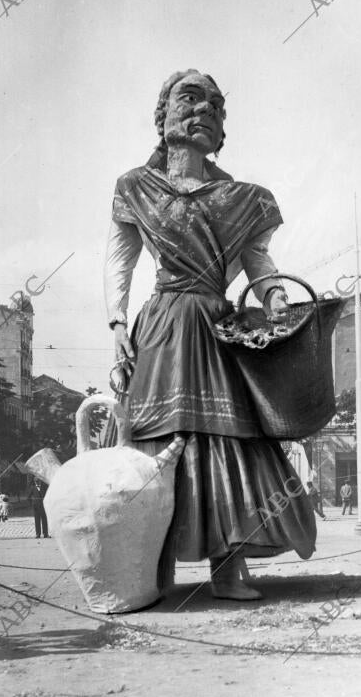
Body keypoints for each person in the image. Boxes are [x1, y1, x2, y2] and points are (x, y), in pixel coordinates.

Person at [105, 69, 316, 601]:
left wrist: (275, 298)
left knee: (231, 443)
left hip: (219, 327)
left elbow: (258, 262)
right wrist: (114, 325)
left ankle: (227, 570)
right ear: (163, 115)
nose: (204, 110)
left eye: (216, 106)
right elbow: (121, 262)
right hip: (162, 328)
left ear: (222, 131)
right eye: (190, 98)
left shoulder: (240, 197)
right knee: (155, 444)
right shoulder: (135, 186)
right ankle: (152, 575)